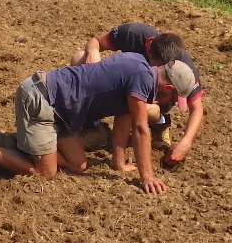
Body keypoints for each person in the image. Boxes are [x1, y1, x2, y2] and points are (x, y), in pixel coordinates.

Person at [0, 54, 198, 195]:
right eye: (172, 97)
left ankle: (3, 143)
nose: (169, 103)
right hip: (42, 99)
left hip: (59, 112)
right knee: (46, 172)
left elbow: (124, 121)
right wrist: (147, 177)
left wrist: (119, 164)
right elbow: (141, 129)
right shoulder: (142, 78)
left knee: (79, 164)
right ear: (165, 86)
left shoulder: (139, 66)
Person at [70, 23, 204, 169]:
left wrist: (185, 142)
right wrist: (92, 52)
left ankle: (160, 123)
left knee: (133, 105)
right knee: (79, 58)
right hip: (129, 85)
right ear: (149, 52)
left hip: (157, 97)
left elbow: (197, 108)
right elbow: (95, 41)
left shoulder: (184, 69)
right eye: (158, 68)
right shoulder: (132, 34)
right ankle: (93, 125)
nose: (160, 72)